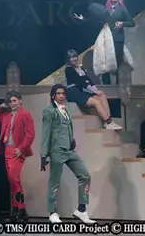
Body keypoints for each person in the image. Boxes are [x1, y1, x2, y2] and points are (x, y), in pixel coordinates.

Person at [41, 84, 95, 224]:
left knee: (85, 176)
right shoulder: (49, 111)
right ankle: (52, 212)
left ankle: (81, 209)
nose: (61, 96)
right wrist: (43, 155)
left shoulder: (66, 109)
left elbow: (67, 127)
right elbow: (46, 133)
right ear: (53, 95)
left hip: (69, 150)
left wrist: (72, 140)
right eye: (58, 93)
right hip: (56, 150)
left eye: (63, 93)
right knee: (54, 182)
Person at [0, 91, 35, 222]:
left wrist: (21, 148)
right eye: (10, 101)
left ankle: (21, 209)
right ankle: (16, 210)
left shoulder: (25, 114)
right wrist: (1, 106)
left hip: (17, 150)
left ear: (20, 101)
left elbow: (30, 134)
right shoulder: (6, 115)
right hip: (7, 149)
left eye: (14, 101)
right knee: (12, 181)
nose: (12, 104)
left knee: (14, 179)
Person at [74, 0, 135, 84]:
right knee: (104, 59)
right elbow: (96, 21)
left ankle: (118, 84)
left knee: (118, 60)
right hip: (106, 36)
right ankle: (107, 84)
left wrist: (122, 24)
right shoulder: (106, 9)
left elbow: (132, 23)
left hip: (118, 37)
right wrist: (83, 19)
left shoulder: (123, 9)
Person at [64, 49, 122, 130]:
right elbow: (80, 81)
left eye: (75, 56)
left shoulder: (80, 68)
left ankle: (108, 120)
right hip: (73, 92)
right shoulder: (68, 69)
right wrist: (94, 91)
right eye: (72, 57)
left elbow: (88, 80)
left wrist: (96, 90)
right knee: (96, 102)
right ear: (68, 59)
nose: (74, 59)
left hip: (80, 90)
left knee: (102, 95)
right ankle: (109, 122)